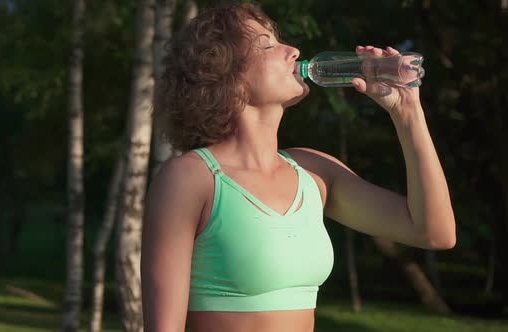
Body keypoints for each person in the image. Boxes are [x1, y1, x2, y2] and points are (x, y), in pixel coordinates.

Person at [141, 3, 456, 332]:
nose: (293, 51)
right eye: (267, 45)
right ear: (223, 75)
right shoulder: (191, 178)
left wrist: (408, 114)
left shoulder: (314, 172)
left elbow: (434, 233)